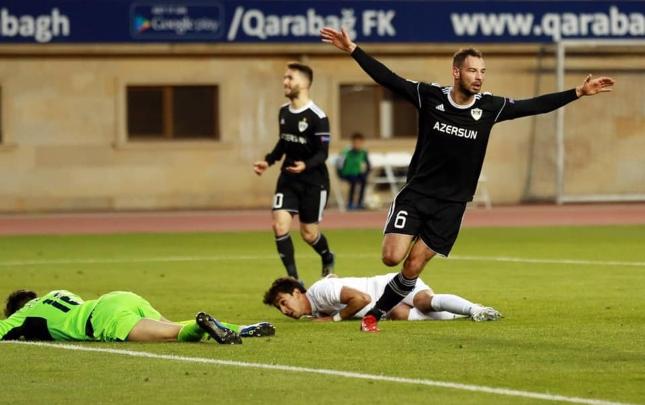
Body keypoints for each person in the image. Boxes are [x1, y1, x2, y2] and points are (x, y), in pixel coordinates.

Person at [320, 27, 615, 332]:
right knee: (391, 257)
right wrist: (353, 49)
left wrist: (577, 92)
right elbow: (389, 79)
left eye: (483, 72)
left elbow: (533, 106)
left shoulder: (489, 107)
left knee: (413, 265)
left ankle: (374, 315)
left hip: (451, 204)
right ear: (456, 72)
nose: (479, 77)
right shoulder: (429, 96)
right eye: (473, 70)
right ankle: (384, 302)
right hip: (417, 194)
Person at [253, 62, 335, 282]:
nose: (285, 82)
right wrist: (268, 161)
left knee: (308, 234)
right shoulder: (283, 112)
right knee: (279, 225)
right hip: (288, 178)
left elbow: (323, 153)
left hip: (314, 181)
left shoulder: (318, 117)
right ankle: (294, 281)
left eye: (290, 78)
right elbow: (283, 142)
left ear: (305, 83)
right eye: (284, 78)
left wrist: (305, 165)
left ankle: (327, 256)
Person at [1, 289, 275, 344]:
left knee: (172, 335)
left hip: (102, 318)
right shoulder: (57, 292)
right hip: (118, 297)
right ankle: (242, 328)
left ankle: (202, 325)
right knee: (167, 324)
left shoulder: (22, 315)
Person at [263, 274, 501, 322]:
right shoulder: (315, 307)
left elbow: (362, 298)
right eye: (279, 308)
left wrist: (334, 319)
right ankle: (464, 314)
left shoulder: (319, 291)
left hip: (391, 286)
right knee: (400, 314)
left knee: (423, 302)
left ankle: (474, 309)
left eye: (283, 302)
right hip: (387, 309)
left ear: (297, 292)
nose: (284, 310)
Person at [337, 132, 371, 210]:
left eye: (359, 143)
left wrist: (365, 173)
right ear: (352, 142)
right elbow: (339, 165)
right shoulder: (345, 152)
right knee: (354, 181)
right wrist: (340, 174)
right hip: (347, 174)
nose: (357, 145)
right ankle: (350, 202)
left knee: (364, 180)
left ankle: (360, 202)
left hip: (358, 174)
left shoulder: (364, 153)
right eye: (356, 143)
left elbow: (368, 165)